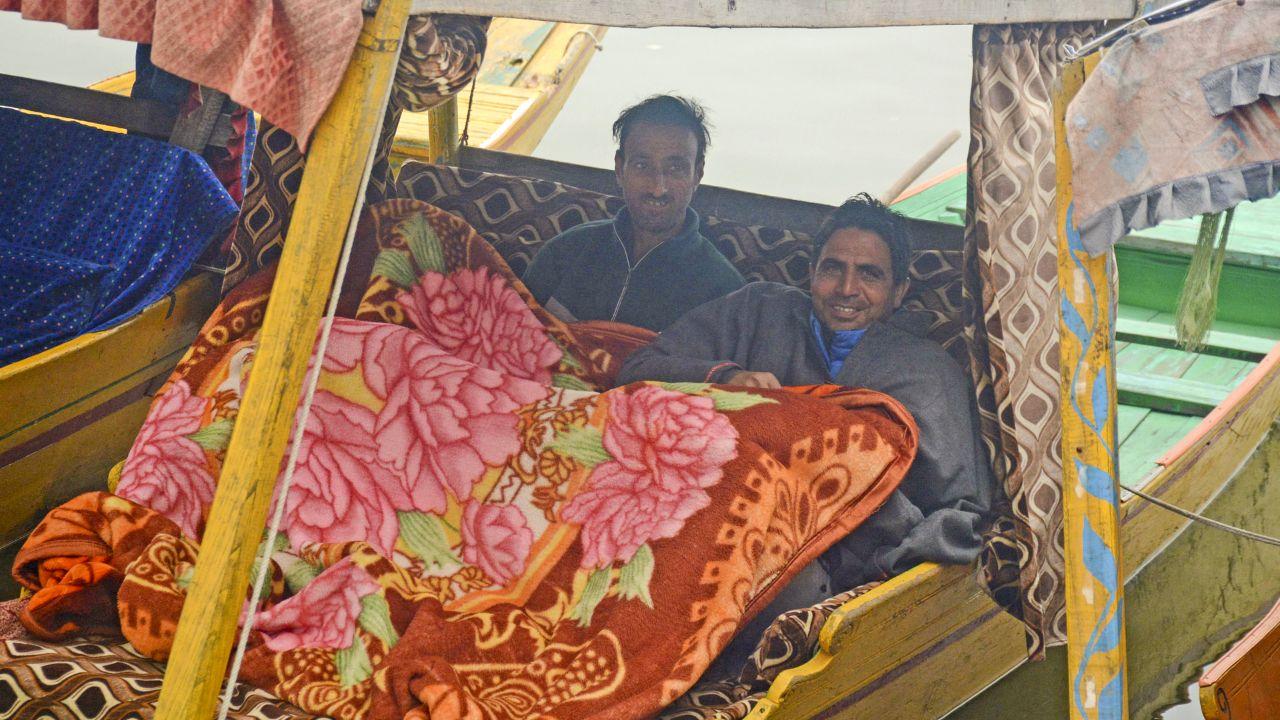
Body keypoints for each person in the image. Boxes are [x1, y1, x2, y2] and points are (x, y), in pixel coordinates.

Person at [617, 194, 997, 636]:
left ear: (898, 292)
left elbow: (961, 512)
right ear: (811, 273)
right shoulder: (756, 311)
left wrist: (878, 572)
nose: (847, 289)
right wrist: (725, 377)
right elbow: (638, 374)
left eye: (869, 274)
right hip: (691, 524)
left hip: (819, 567)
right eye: (833, 268)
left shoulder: (928, 372)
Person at [521, 95, 745, 332]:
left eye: (675, 168)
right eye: (642, 165)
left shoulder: (724, 292)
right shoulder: (565, 252)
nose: (658, 188)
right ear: (620, 168)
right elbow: (511, 337)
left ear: (697, 175)